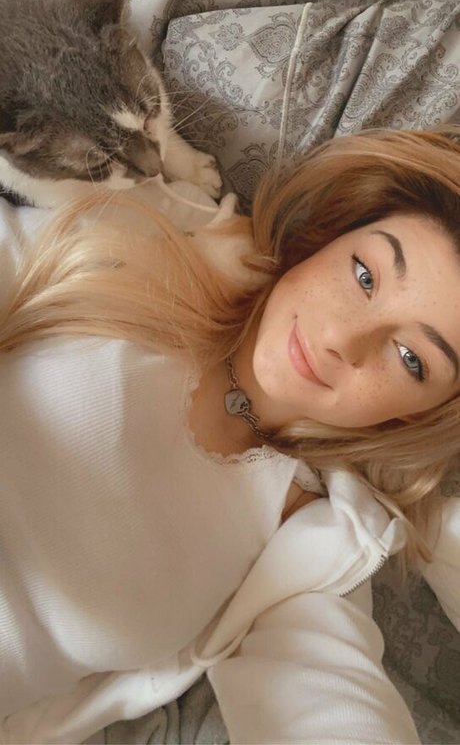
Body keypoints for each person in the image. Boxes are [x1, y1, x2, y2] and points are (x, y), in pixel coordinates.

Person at [1, 126, 460, 745]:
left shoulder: (311, 551)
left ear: (419, 416)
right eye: (363, 275)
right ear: (329, 237)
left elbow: (328, 714)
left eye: (411, 359)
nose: (341, 340)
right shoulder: (132, 251)